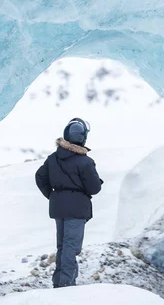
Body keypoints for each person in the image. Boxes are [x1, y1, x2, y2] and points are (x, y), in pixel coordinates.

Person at [35, 118, 103, 288]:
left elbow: (40, 177)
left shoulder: (53, 158)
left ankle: (59, 282)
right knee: (71, 247)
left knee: (63, 246)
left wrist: (52, 196)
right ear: (83, 138)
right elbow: (94, 188)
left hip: (59, 207)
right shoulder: (85, 162)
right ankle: (66, 285)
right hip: (77, 208)